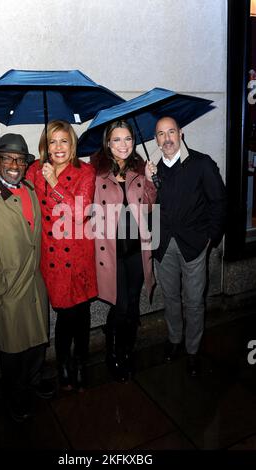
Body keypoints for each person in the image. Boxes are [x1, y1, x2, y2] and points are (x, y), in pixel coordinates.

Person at [0, 121, 97, 392]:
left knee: (81, 314)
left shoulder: (86, 172)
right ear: (45, 145)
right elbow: (12, 187)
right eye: (52, 141)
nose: (58, 147)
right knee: (65, 317)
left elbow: (80, 213)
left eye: (64, 141)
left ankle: (80, 363)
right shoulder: (33, 170)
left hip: (78, 256)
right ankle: (63, 364)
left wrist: (54, 182)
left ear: (72, 145)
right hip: (52, 259)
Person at [0, 133, 54, 423]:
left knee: (37, 342)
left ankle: (34, 380)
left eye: (20, 159)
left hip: (33, 284)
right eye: (8, 159)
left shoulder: (29, 190)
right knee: (13, 351)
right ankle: (15, 395)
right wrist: (0, 289)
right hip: (7, 290)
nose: (14, 165)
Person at [152, 116, 227, 377]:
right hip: (163, 247)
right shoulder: (153, 171)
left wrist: (210, 238)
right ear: (156, 140)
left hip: (194, 245)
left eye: (171, 131)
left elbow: (219, 202)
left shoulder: (201, 164)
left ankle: (193, 351)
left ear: (181, 134)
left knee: (194, 302)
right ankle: (175, 340)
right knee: (171, 298)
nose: (167, 138)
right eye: (161, 134)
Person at [90, 120, 157, 382]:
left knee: (132, 305)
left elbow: (150, 207)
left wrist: (150, 181)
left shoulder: (139, 170)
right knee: (122, 305)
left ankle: (127, 349)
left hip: (136, 250)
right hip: (112, 252)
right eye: (117, 139)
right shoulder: (97, 173)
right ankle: (113, 353)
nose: (123, 145)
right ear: (108, 142)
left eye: (128, 138)